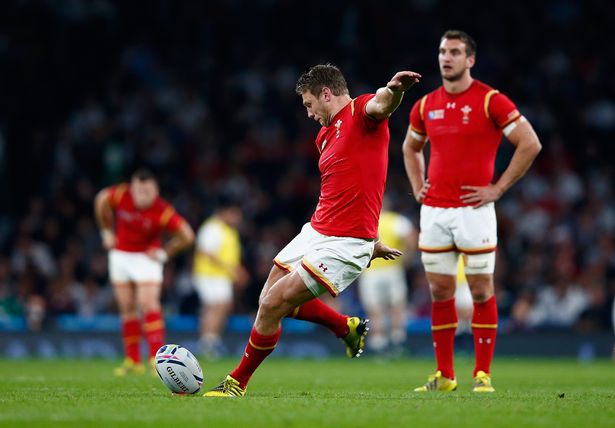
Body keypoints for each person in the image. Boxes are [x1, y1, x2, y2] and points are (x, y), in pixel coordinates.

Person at [205, 64, 421, 397]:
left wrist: (396, 89)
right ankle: (345, 326)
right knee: (267, 300)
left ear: (326, 93)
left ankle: (237, 382)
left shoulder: (361, 111)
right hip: (316, 230)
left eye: (309, 104)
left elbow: (383, 103)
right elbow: (351, 185)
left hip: (346, 243)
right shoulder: (323, 136)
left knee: (272, 303)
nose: (308, 113)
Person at [402, 30, 541, 392]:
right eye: (442, 51)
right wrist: (418, 186)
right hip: (434, 212)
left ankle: (482, 374)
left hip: (474, 210)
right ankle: (445, 376)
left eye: (455, 52)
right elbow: (410, 147)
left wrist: (498, 188)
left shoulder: (490, 100)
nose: (446, 57)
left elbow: (530, 143)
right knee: (439, 291)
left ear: (470, 60)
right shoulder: (425, 104)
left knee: (480, 290)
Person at [94, 168, 195, 375]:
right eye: (138, 191)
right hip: (120, 255)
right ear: (132, 188)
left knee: (148, 304)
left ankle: (155, 358)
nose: (141, 196)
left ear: (155, 191)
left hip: (147, 259)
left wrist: (165, 253)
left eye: (147, 192)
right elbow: (101, 199)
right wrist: (106, 232)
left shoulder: (162, 210)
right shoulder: (122, 194)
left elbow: (187, 235)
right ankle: (133, 361)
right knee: (127, 308)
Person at [357, 200, 417, 355]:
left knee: (375, 309)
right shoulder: (396, 221)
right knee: (396, 307)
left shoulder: (365, 221)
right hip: (392, 269)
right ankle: (397, 343)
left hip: (371, 272)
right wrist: (406, 259)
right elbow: (411, 238)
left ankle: (379, 345)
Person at [193, 197, 249, 359]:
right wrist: (233, 269)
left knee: (222, 306)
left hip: (221, 276)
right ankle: (206, 343)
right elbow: (206, 252)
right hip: (208, 274)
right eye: (235, 214)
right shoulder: (212, 227)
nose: (237, 218)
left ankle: (211, 341)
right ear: (225, 212)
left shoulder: (229, 230)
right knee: (214, 306)